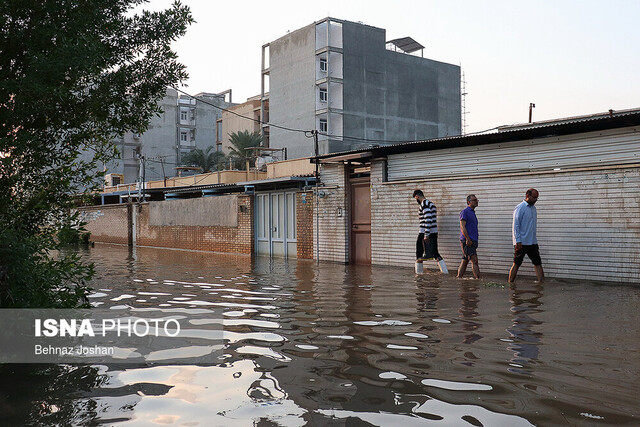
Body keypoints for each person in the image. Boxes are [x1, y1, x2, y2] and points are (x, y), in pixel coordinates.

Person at [508, 188, 544, 283]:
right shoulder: (520, 207)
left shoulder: (533, 209)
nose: (536, 200)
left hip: (532, 241)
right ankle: (510, 283)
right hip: (522, 242)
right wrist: (517, 241)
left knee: (537, 262)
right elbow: (516, 225)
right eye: (534, 197)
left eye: (537, 198)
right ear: (528, 196)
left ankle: (541, 283)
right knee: (516, 263)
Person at [412, 189, 448, 273]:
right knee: (435, 253)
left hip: (424, 232)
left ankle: (418, 276)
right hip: (433, 232)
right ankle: (445, 273)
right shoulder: (431, 203)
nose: (416, 200)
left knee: (419, 254)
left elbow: (428, 220)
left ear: (417, 196)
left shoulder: (424, 204)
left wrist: (426, 235)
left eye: (415, 198)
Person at [457, 194, 480, 279]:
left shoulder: (472, 213)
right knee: (474, 261)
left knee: (465, 260)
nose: (477, 201)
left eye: (477, 200)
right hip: (468, 241)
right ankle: (478, 280)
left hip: (472, 240)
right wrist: (467, 239)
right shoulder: (465, 212)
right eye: (474, 200)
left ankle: (459, 278)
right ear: (468, 202)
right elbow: (462, 226)